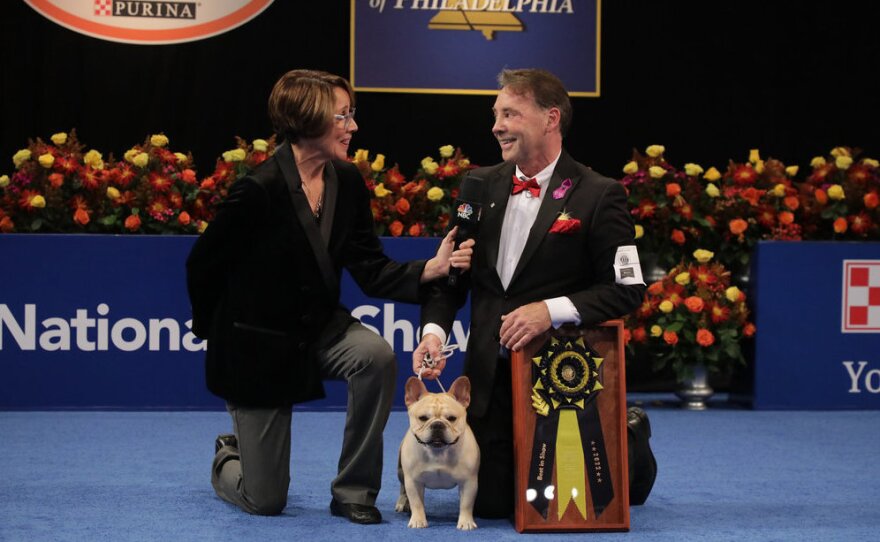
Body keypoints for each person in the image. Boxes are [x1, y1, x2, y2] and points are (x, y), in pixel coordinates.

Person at [186, 69, 474, 525]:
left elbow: (370, 267)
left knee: (375, 355)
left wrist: (431, 270)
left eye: (351, 114)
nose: (352, 126)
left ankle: (353, 490)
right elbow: (202, 266)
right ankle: (227, 456)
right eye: (342, 116)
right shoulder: (256, 191)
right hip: (258, 348)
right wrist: (218, 338)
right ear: (305, 120)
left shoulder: (347, 180)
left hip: (320, 329)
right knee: (265, 500)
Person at [413, 68, 657, 519]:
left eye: (510, 113)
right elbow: (452, 277)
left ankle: (629, 440)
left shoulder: (601, 195)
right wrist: (432, 331)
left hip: (562, 385)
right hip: (487, 384)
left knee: (562, 501)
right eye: (495, 114)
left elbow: (627, 291)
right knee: (490, 506)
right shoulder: (478, 185)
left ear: (550, 118)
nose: (497, 125)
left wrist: (550, 310)